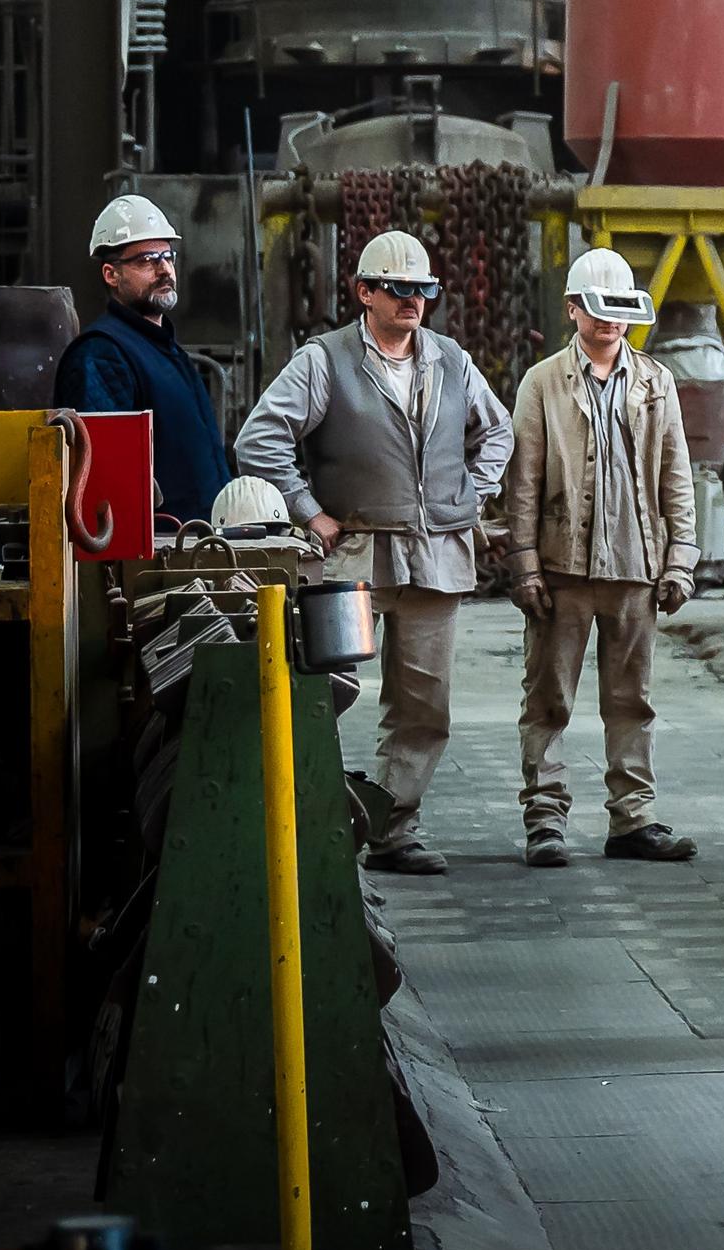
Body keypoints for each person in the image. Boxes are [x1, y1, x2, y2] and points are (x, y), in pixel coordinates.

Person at [235, 230, 512, 876]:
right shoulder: (324, 361)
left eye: (423, 290)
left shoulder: (451, 361)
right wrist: (310, 512)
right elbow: (261, 438)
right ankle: (307, 823)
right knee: (323, 692)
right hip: (353, 556)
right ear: (364, 292)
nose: (413, 301)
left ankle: (393, 828)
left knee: (423, 703)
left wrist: (471, 491)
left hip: (436, 554)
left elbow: (496, 429)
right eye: (398, 289)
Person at [500, 246, 700, 870]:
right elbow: (523, 480)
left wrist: (680, 559)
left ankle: (634, 819)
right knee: (548, 698)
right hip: (563, 570)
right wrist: (526, 564)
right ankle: (545, 819)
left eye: (620, 311)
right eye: (599, 309)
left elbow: (676, 475)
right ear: (573, 311)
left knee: (631, 699)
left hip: (637, 567)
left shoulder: (655, 382)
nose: (611, 322)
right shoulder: (542, 383)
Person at [52, 192, 232, 526]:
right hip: (153, 553)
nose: (164, 270)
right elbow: (106, 477)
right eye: (146, 260)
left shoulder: (168, 351)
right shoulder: (101, 354)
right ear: (111, 274)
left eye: (168, 257)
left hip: (195, 542)